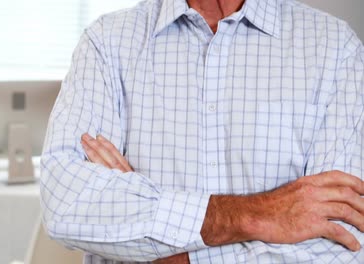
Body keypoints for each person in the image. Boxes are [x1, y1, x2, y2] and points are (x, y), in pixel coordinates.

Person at [40, 0, 364, 263]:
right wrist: (259, 215)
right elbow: (66, 203)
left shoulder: (335, 49)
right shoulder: (107, 41)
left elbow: (344, 241)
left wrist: (160, 249)